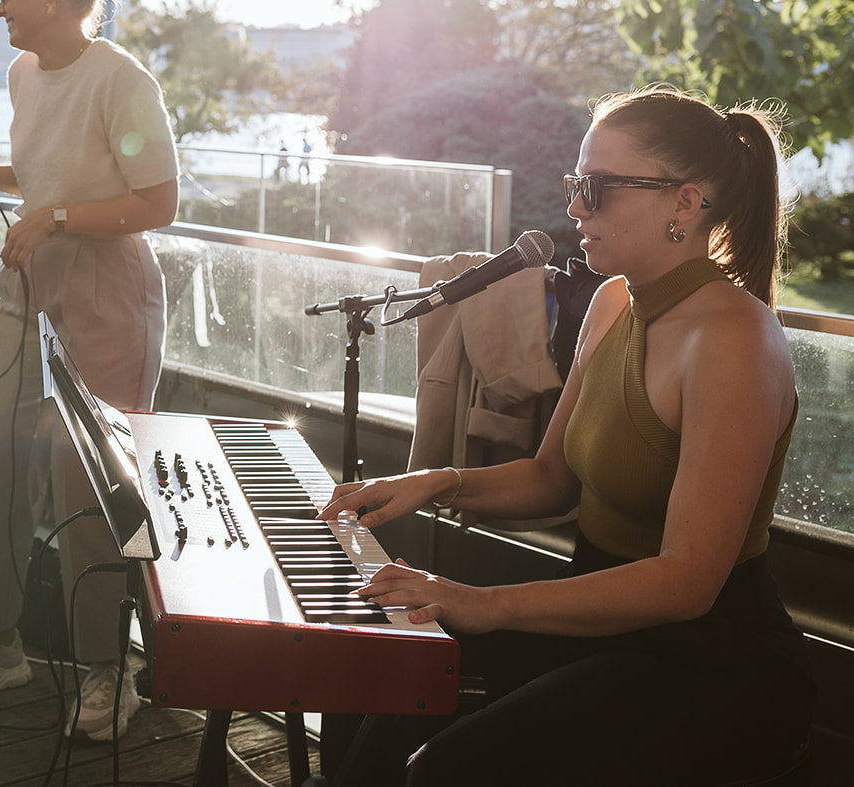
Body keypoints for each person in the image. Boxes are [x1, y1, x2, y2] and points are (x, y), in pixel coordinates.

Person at [320, 86, 814, 786]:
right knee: (372, 659)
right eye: (575, 183)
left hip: (707, 661)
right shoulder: (613, 302)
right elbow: (552, 478)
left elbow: (685, 583)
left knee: (449, 769)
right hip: (603, 622)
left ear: (685, 202)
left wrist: (483, 602)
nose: (575, 207)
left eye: (598, 187)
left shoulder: (733, 338)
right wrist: (434, 481)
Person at [0, 0, 179, 741]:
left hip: (108, 290)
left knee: (88, 487)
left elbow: (158, 199)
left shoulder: (123, 80)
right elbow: (50, 174)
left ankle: (110, 670)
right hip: (30, 283)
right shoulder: (22, 72)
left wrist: (57, 215)